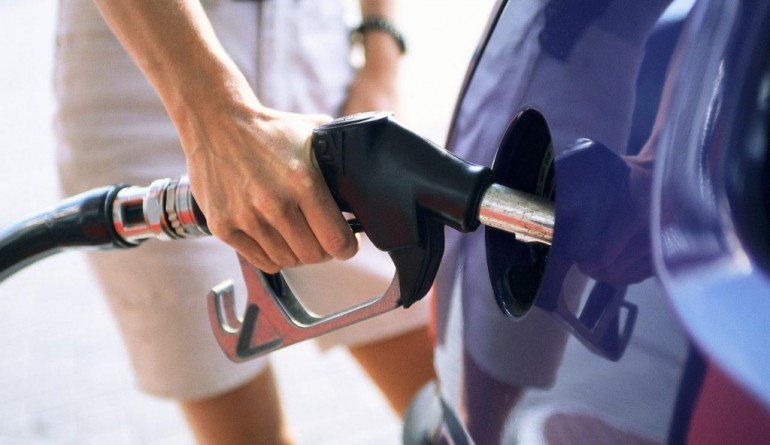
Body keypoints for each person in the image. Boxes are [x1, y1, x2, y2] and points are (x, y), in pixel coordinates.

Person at [54, 1, 434, 443]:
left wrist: (380, 60)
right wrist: (214, 118)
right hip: (154, 70)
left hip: (316, 58)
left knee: (459, 404)